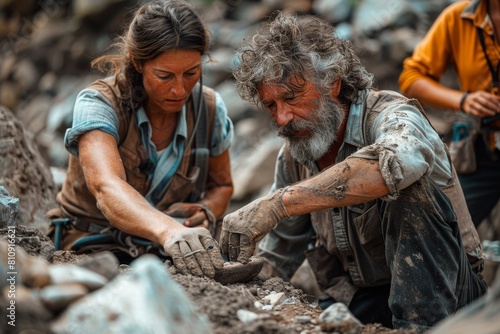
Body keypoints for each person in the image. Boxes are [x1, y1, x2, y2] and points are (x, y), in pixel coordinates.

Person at [220, 12, 487, 332]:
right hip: (363, 302)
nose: (282, 118)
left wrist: (278, 203)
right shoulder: (296, 157)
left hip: (451, 299)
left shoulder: (392, 115)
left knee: (408, 188)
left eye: (291, 98)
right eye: (271, 106)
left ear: (333, 83)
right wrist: (229, 277)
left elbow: (395, 165)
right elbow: (277, 259)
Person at [47, 0, 234, 278]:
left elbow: (222, 185)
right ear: (137, 62)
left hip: (166, 255)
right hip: (89, 250)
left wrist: (206, 212)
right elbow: (106, 186)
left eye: (192, 73)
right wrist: (169, 231)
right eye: (164, 75)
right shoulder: (98, 103)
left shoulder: (208, 110)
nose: (179, 89)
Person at [399, 0, 500, 228]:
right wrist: (463, 100)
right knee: (448, 231)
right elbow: (412, 77)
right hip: (484, 146)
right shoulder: (458, 17)